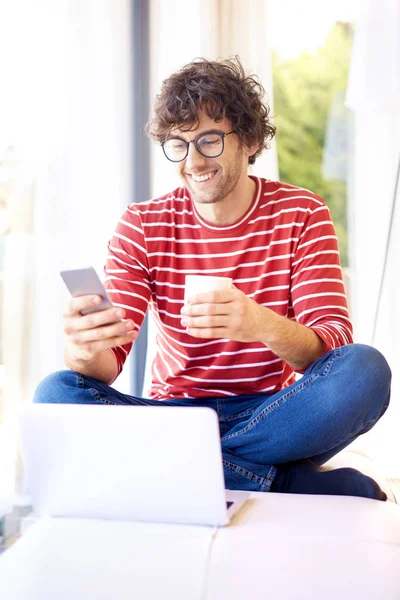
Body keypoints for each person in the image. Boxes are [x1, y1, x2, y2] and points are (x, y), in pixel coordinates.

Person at [34, 57, 391, 500]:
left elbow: (332, 345)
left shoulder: (302, 213)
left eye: (209, 139)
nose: (194, 160)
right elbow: (108, 365)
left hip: (274, 416)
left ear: (250, 139)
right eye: (178, 144)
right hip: (174, 416)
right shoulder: (144, 224)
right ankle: (281, 480)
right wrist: (84, 348)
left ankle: (181, 467)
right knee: (56, 391)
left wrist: (258, 323)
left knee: (365, 372)